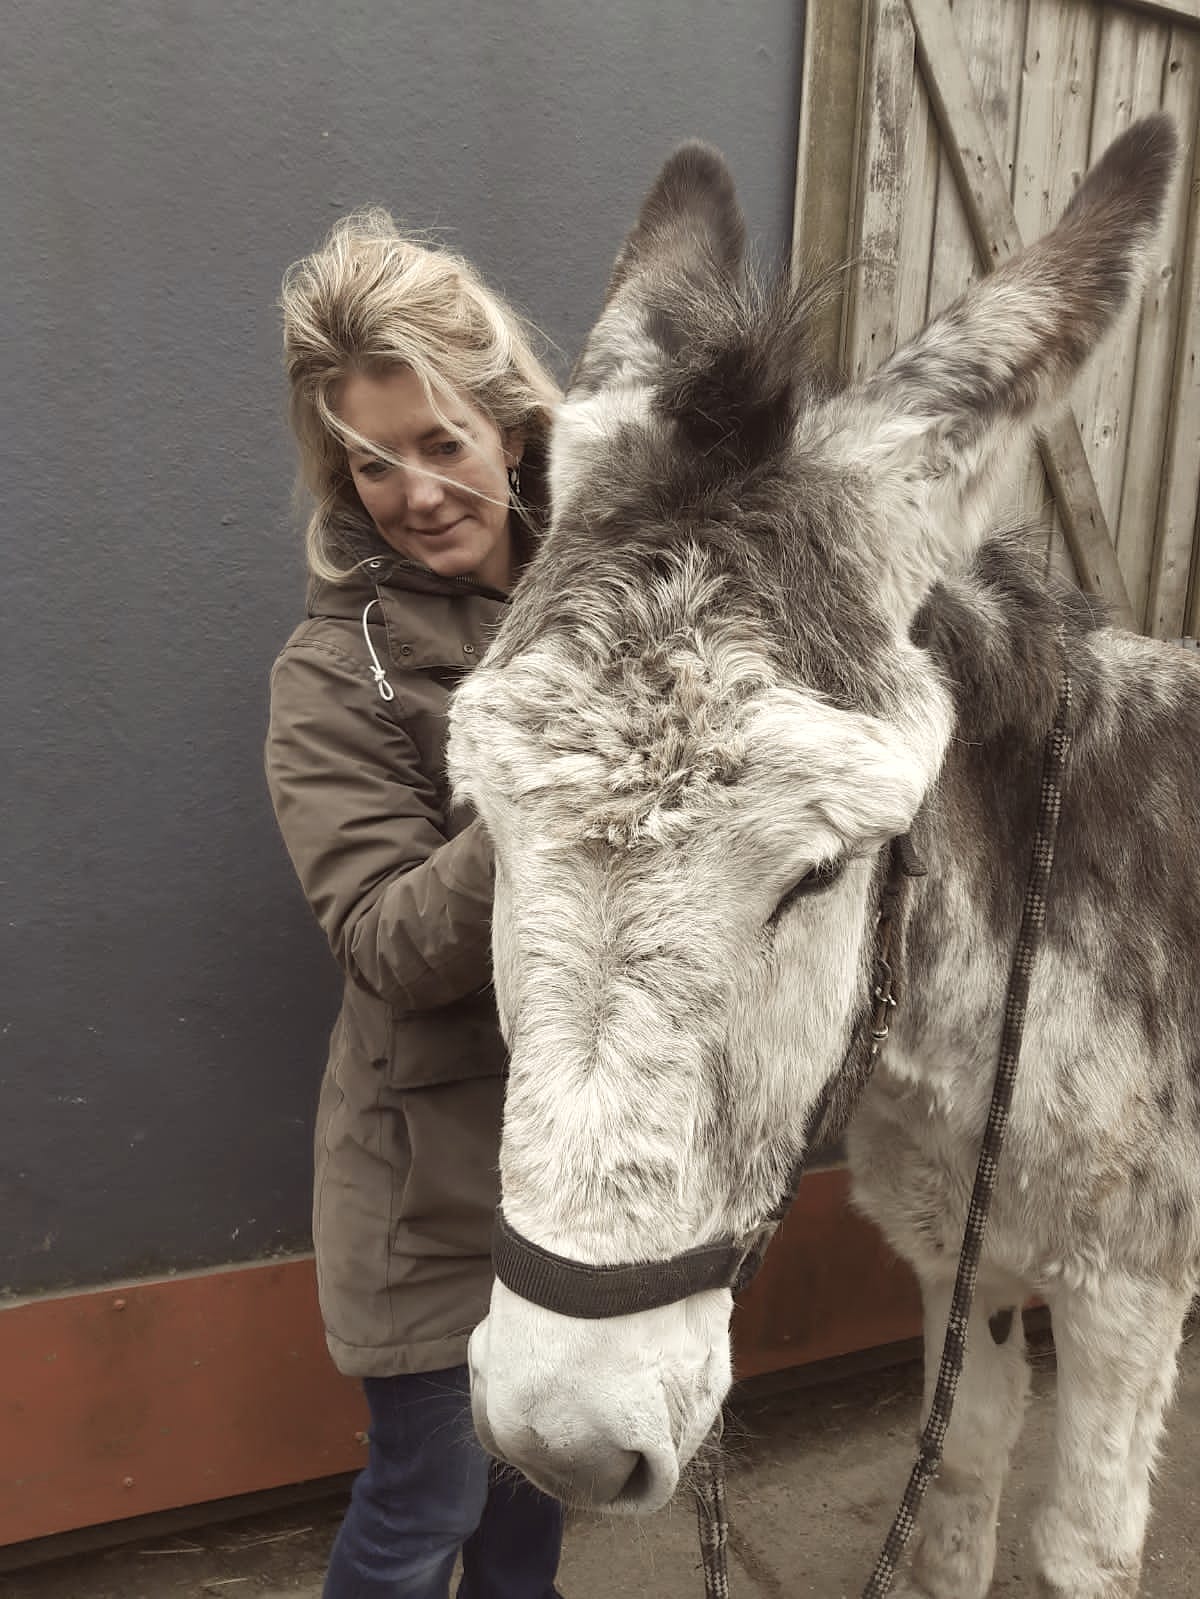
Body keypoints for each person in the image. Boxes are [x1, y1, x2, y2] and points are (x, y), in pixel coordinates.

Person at [266, 209, 565, 1599]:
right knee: (426, 1501)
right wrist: (554, 767)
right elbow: (388, 941)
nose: (416, 490)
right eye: (371, 463)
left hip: (578, 1169)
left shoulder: (611, 589)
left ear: (510, 427)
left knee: (535, 1499)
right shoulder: (336, 674)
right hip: (426, 1191)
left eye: (441, 442)